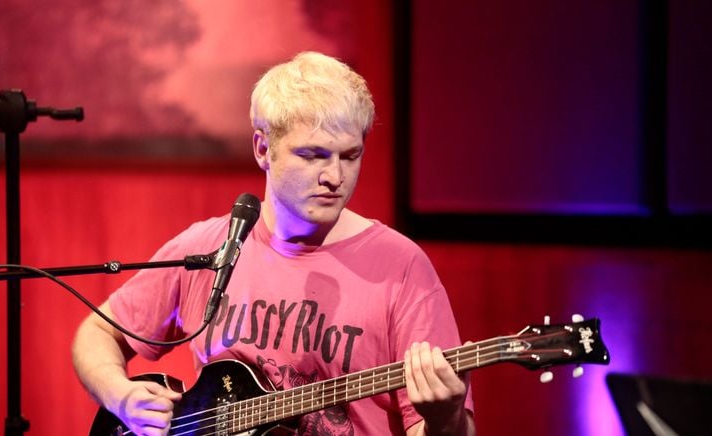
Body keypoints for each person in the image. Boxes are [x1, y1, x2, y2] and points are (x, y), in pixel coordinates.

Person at [72, 51, 475, 436]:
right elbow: (97, 333)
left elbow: (444, 431)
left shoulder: (402, 267)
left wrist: (446, 418)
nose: (335, 176)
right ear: (263, 148)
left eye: (350, 156)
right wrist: (120, 396)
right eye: (313, 155)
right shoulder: (211, 246)